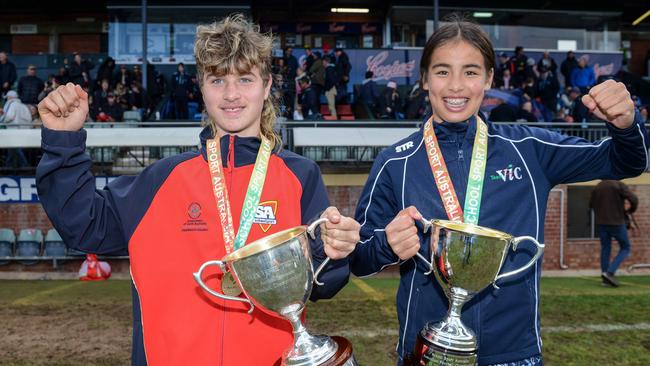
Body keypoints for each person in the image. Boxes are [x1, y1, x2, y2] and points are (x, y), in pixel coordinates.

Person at [36, 14, 360, 365]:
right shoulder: (162, 179)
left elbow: (322, 284)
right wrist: (64, 141)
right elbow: (83, 226)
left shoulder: (300, 176)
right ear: (201, 87)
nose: (232, 94)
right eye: (217, 79)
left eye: (245, 79)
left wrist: (336, 249)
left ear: (266, 86)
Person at [350, 14, 648, 366]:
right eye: (443, 71)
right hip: (426, 352)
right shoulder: (394, 163)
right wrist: (387, 245)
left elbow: (625, 163)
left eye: (471, 72)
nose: (456, 86)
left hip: (514, 353)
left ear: (489, 79)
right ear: (425, 79)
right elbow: (359, 260)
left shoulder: (530, 148)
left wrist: (627, 124)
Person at [589, 180, 638, 287]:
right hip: (616, 223)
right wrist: (629, 211)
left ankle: (605, 278)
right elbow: (634, 199)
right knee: (626, 247)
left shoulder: (598, 187)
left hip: (602, 223)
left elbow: (591, 205)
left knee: (605, 248)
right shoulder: (618, 185)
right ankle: (610, 272)